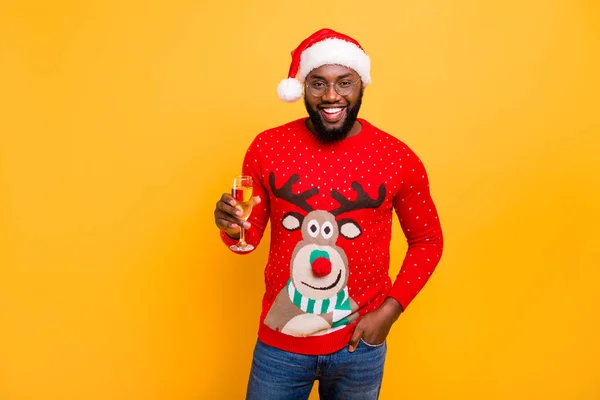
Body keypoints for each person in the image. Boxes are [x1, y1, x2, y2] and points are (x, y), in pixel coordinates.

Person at [214, 28, 444, 400]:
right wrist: (230, 227)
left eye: (344, 82)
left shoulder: (397, 157)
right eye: (318, 83)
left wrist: (390, 311)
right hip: (281, 344)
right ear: (303, 87)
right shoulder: (266, 147)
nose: (332, 96)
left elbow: (428, 241)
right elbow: (247, 240)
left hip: (359, 346)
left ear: (361, 84)